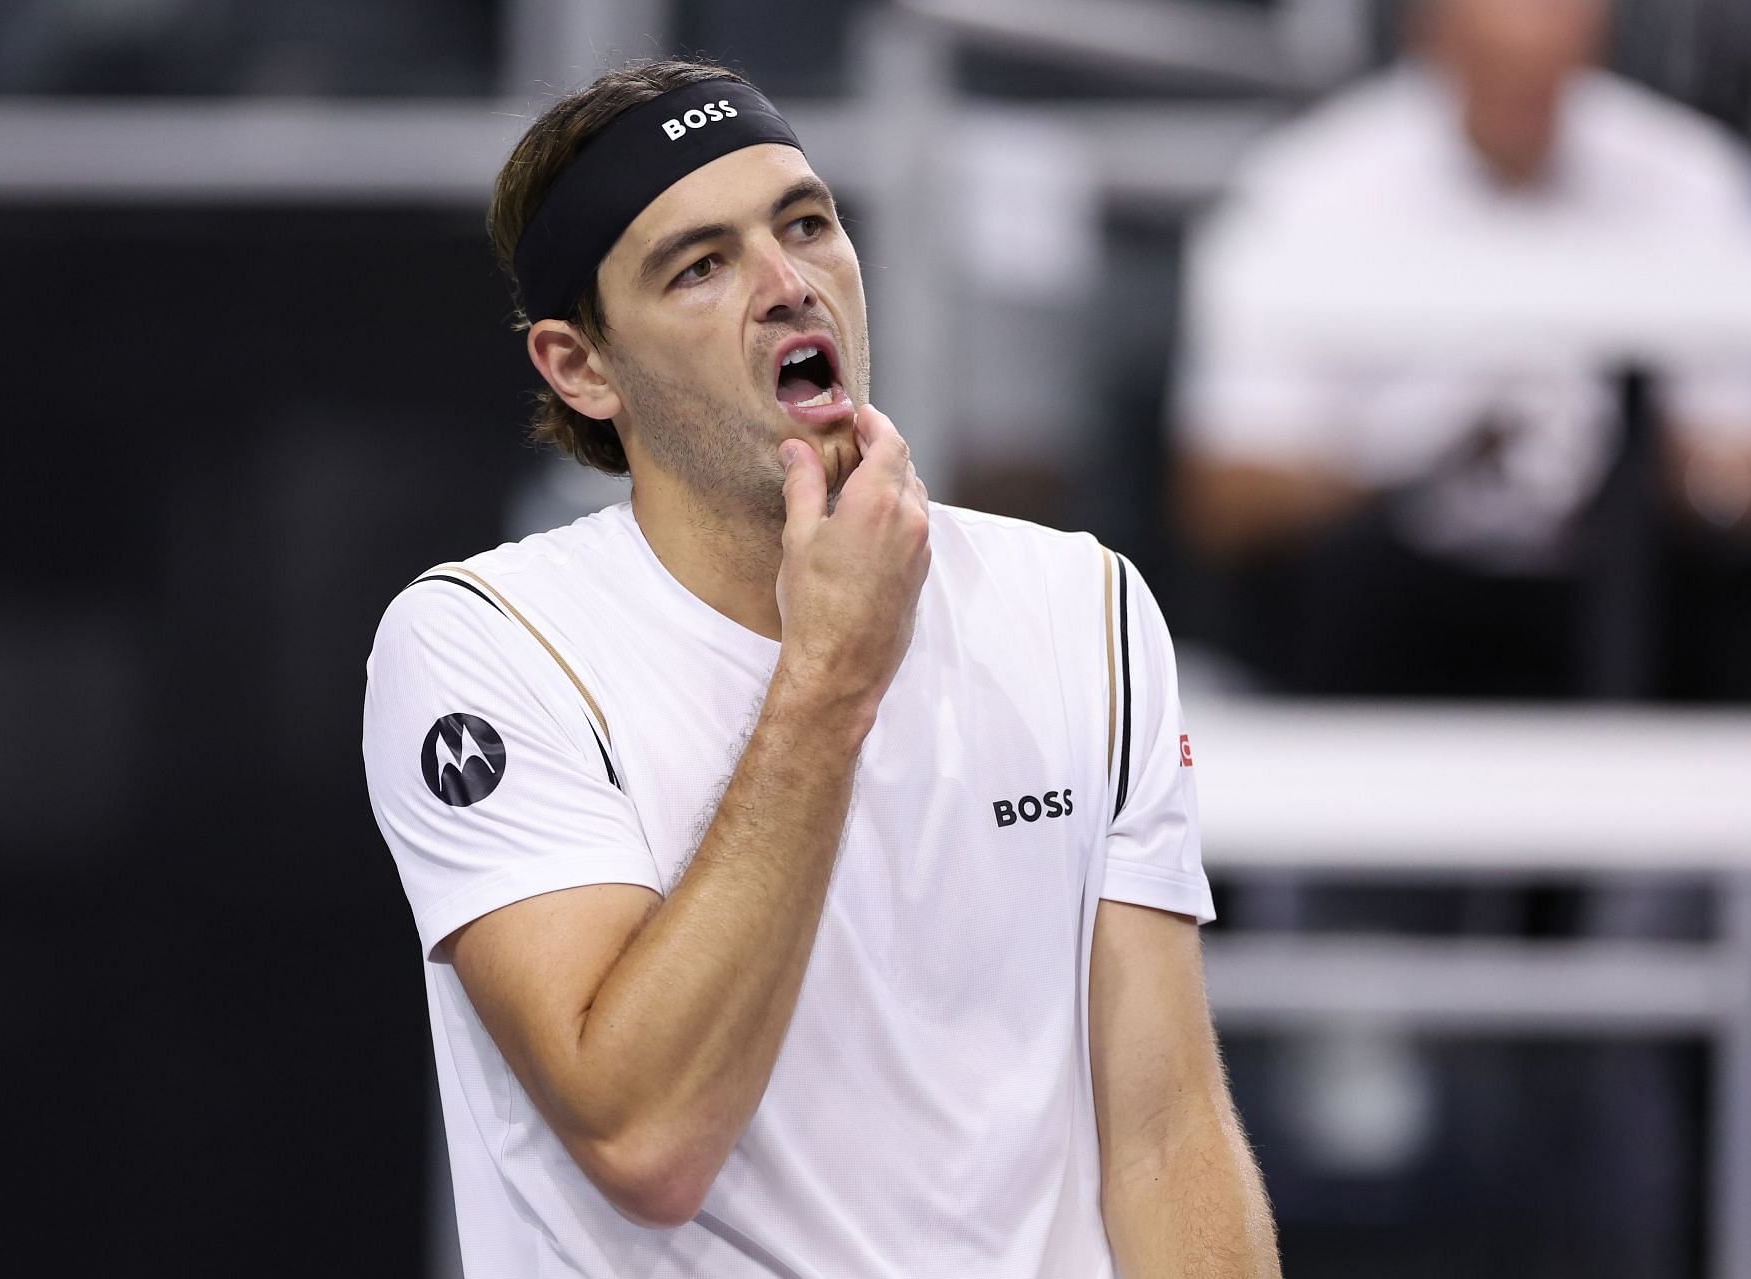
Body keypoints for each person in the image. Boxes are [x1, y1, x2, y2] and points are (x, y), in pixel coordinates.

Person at [362, 60, 1279, 1278]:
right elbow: (643, 1138)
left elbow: (1162, 1134)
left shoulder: (1084, 604)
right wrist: (831, 678)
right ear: (582, 368)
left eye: (806, 224)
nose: (789, 284)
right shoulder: (483, 643)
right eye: (701, 265)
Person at [1173, 0, 1751, 698]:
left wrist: (1628, 463)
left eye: (1551, 74)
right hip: (1388, 591)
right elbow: (1225, 495)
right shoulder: (1312, 186)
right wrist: (1416, 457)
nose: (1525, 104)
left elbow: (1733, 460)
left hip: (1627, 587)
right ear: (1432, 41)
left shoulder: (1688, 176)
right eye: (1497, 68)